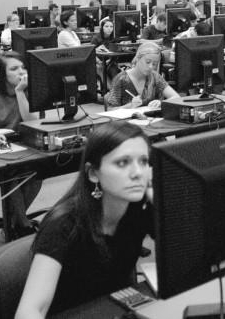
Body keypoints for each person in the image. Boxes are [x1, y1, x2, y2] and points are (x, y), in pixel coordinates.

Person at [14, 122, 153, 318]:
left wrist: (162, 199)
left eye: (144, 162)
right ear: (93, 173)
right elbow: (31, 310)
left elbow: (190, 256)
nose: (138, 172)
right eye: (123, 162)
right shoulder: (63, 224)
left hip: (117, 310)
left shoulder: (139, 208)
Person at [0, 52, 42, 237]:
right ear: (1, 74)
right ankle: (21, 224)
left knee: (37, 173)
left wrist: (20, 92)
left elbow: (31, 121)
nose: (21, 72)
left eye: (23, 67)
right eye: (14, 69)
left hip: (20, 146)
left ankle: (14, 221)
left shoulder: (27, 90)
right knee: (11, 175)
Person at [105, 42, 179, 109]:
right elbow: (110, 110)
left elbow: (176, 97)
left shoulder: (155, 77)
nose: (151, 67)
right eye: (147, 62)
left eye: (154, 64)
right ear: (137, 58)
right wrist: (130, 106)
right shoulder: (121, 79)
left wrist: (161, 103)